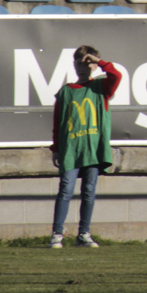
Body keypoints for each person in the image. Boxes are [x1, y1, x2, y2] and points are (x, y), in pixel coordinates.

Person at [49, 46, 122, 248]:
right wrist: (55, 148)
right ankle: (57, 234)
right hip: (71, 149)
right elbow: (58, 122)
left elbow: (116, 75)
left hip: (93, 148)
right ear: (74, 65)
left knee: (89, 190)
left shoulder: (101, 87)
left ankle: (84, 233)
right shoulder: (65, 91)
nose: (84, 66)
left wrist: (99, 62)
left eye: (88, 62)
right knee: (66, 190)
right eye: (80, 62)